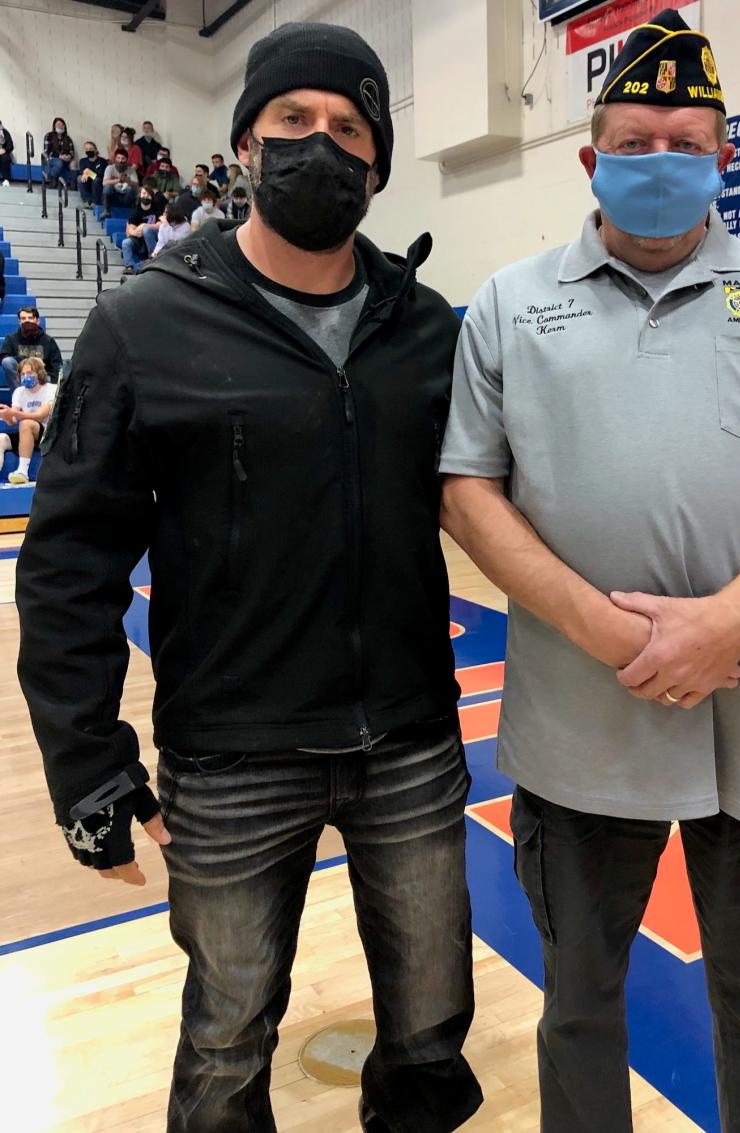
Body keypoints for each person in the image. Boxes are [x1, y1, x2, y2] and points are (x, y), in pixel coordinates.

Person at [439, 10, 740, 1133]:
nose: (663, 164)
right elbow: (466, 489)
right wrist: (618, 635)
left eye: (687, 143)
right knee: (582, 1008)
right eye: (636, 144)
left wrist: (727, 622)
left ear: (724, 159)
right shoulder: (511, 301)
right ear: (591, 159)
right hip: (579, 736)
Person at [16, 21, 482, 1133]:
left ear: (377, 161)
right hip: (231, 756)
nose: (321, 145)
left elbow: (496, 500)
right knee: (226, 1043)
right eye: (294, 123)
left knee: (429, 1030)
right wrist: (89, 762)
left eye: (350, 128)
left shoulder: (424, 327)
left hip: (410, 742)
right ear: (244, 144)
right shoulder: (144, 324)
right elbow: (69, 560)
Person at [0, 357, 56, 484]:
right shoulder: (19, 392)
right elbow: (12, 421)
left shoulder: (51, 389)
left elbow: (41, 415)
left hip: (47, 434)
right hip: (26, 432)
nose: (26, 377)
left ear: (39, 373)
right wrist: (6, 415)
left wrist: (14, 412)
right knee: (1, 438)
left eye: (29, 373)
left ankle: (22, 471)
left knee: (27, 423)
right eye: (23, 374)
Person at [1, 307, 62, 389]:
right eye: (23, 318)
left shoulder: (49, 341)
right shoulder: (11, 338)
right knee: (7, 361)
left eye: (30, 318)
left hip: (43, 379)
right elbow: (3, 359)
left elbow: (57, 366)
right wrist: (26, 360)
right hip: (20, 379)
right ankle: (20, 395)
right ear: (19, 322)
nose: (27, 321)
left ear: (38, 321)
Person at [122, 184, 167, 273]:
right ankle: (129, 267)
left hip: (153, 237)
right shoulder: (136, 211)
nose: (146, 196)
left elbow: (160, 225)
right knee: (126, 242)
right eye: (144, 193)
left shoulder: (156, 209)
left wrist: (144, 226)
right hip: (139, 239)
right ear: (140, 195)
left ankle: (152, 258)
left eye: (148, 194)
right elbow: (130, 229)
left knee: (146, 230)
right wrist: (135, 232)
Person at [101, 148, 139, 217]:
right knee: (107, 187)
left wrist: (128, 181)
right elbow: (104, 182)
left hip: (126, 197)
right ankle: (106, 211)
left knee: (137, 190)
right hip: (114, 196)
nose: (120, 161)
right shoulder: (110, 168)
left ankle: (136, 213)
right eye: (118, 158)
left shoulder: (131, 170)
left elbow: (137, 185)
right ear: (115, 159)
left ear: (127, 159)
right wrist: (118, 180)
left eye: (123, 158)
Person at [42, 117, 75, 184]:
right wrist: (59, 156)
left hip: (65, 159)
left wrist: (69, 157)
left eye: (62, 125)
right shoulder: (49, 136)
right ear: (54, 126)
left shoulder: (68, 138)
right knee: (59, 162)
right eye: (58, 124)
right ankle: (51, 178)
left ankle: (73, 184)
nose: (60, 126)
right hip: (52, 159)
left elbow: (72, 152)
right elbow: (46, 152)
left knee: (74, 163)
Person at [77, 142, 108, 208]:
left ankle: (95, 202)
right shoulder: (82, 161)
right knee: (79, 178)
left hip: (98, 184)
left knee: (96, 179)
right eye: (86, 149)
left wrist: (89, 172)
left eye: (91, 148)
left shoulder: (103, 161)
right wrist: (86, 173)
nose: (88, 150)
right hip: (87, 183)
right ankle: (87, 201)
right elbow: (82, 172)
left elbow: (101, 175)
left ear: (95, 149)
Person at [0, 118, 13, 187]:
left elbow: (10, 145)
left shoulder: (5, 132)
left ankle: (6, 180)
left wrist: (4, 150)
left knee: (5, 158)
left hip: (3, 153)